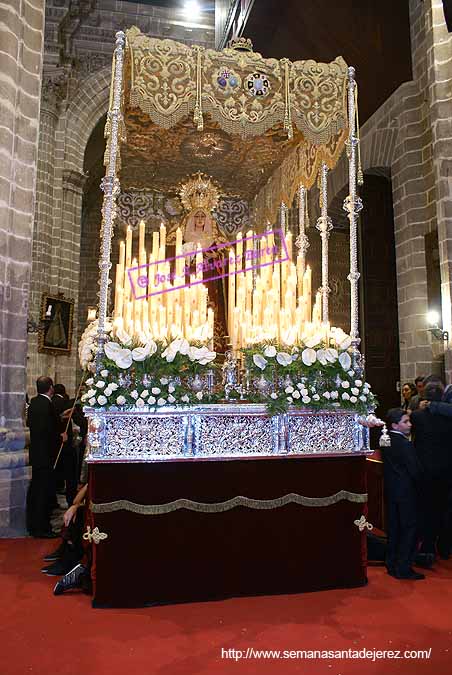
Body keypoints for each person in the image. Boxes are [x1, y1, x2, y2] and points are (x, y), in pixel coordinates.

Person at [411, 381, 452, 564]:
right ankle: (444, 546)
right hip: (446, 469)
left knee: (426, 508)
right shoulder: (448, 417)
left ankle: (427, 547)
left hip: (425, 470)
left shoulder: (418, 417)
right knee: (445, 508)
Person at [383, 408, 424, 580]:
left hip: (391, 490)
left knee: (394, 527)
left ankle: (392, 563)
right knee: (408, 528)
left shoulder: (385, 439)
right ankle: (404, 567)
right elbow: (415, 471)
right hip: (406, 492)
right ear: (395, 425)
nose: (410, 424)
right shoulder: (405, 444)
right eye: (405, 422)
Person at [27, 376, 67, 538]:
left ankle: (33, 525)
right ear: (50, 388)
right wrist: (61, 437)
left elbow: (37, 426)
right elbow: (47, 431)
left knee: (36, 491)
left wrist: (59, 419)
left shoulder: (34, 403)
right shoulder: (47, 404)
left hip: (36, 454)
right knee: (43, 493)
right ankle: (42, 528)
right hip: (46, 456)